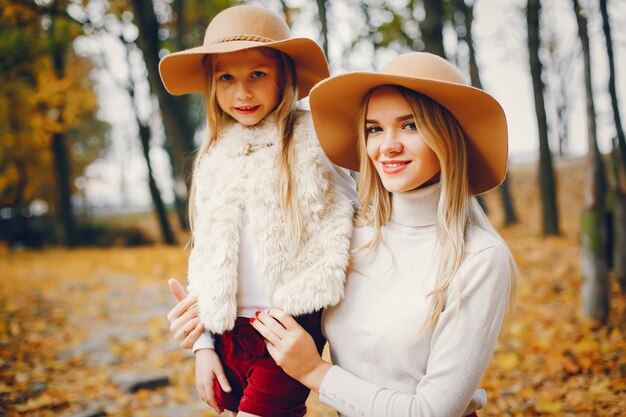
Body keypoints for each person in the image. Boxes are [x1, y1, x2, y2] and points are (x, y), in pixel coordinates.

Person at [168, 52, 516, 416]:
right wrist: (202, 336)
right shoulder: (354, 238)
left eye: (411, 125)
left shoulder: (478, 258)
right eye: (374, 128)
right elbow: (249, 258)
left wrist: (314, 372)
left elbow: (430, 411)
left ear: (450, 134)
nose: (389, 145)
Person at [159, 5, 355, 417]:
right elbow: (208, 256)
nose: (241, 93)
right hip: (225, 331)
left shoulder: (313, 142)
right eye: (226, 78)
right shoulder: (213, 155)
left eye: (257, 75)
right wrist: (202, 345)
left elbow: (353, 221)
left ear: (284, 75)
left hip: (287, 326)